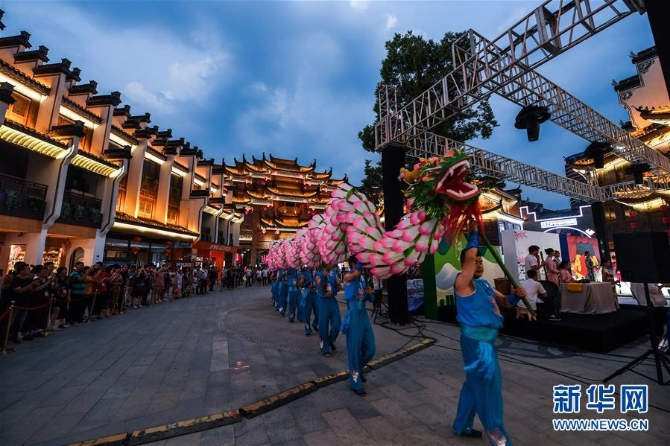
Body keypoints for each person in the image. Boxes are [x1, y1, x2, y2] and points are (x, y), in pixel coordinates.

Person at [453, 220, 526, 445]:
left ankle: (462, 424)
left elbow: (504, 303)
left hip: (487, 342)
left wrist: (515, 296)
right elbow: (469, 257)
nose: (478, 264)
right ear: (465, 264)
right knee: (489, 390)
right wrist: (473, 233)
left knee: (474, 385)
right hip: (477, 345)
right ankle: (499, 439)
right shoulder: (462, 282)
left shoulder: (484, 284)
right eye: (474, 261)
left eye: (480, 261)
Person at [342, 256, 375, 396]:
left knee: (370, 349)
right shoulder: (348, 276)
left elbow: (369, 298)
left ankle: (359, 368)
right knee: (354, 351)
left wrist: (370, 293)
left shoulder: (363, 279)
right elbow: (355, 274)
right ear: (353, 263)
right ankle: (355, 382)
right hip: (354, 316)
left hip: (363, 316)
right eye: (359, 262)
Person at [316, 264, 342, 356]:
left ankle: (330, 340)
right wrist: (323, 277)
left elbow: (339, 287)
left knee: (337, 324)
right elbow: (320, 286)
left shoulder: (334, 273)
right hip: (323, 302)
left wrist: (333, 291)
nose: (332, 263)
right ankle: (325, 349)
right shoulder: (318, 274)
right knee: (323, 326)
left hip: (332, 301)